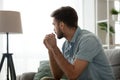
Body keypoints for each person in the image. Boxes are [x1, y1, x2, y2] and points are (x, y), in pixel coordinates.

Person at [43, 6, 115, 80]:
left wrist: (55, 48)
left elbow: (73, 75)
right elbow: (57, 76)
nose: (53, 29)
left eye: (54, 24)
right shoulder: (66, 45)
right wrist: (50, 49)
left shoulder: (88, 40)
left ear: (62, 25)